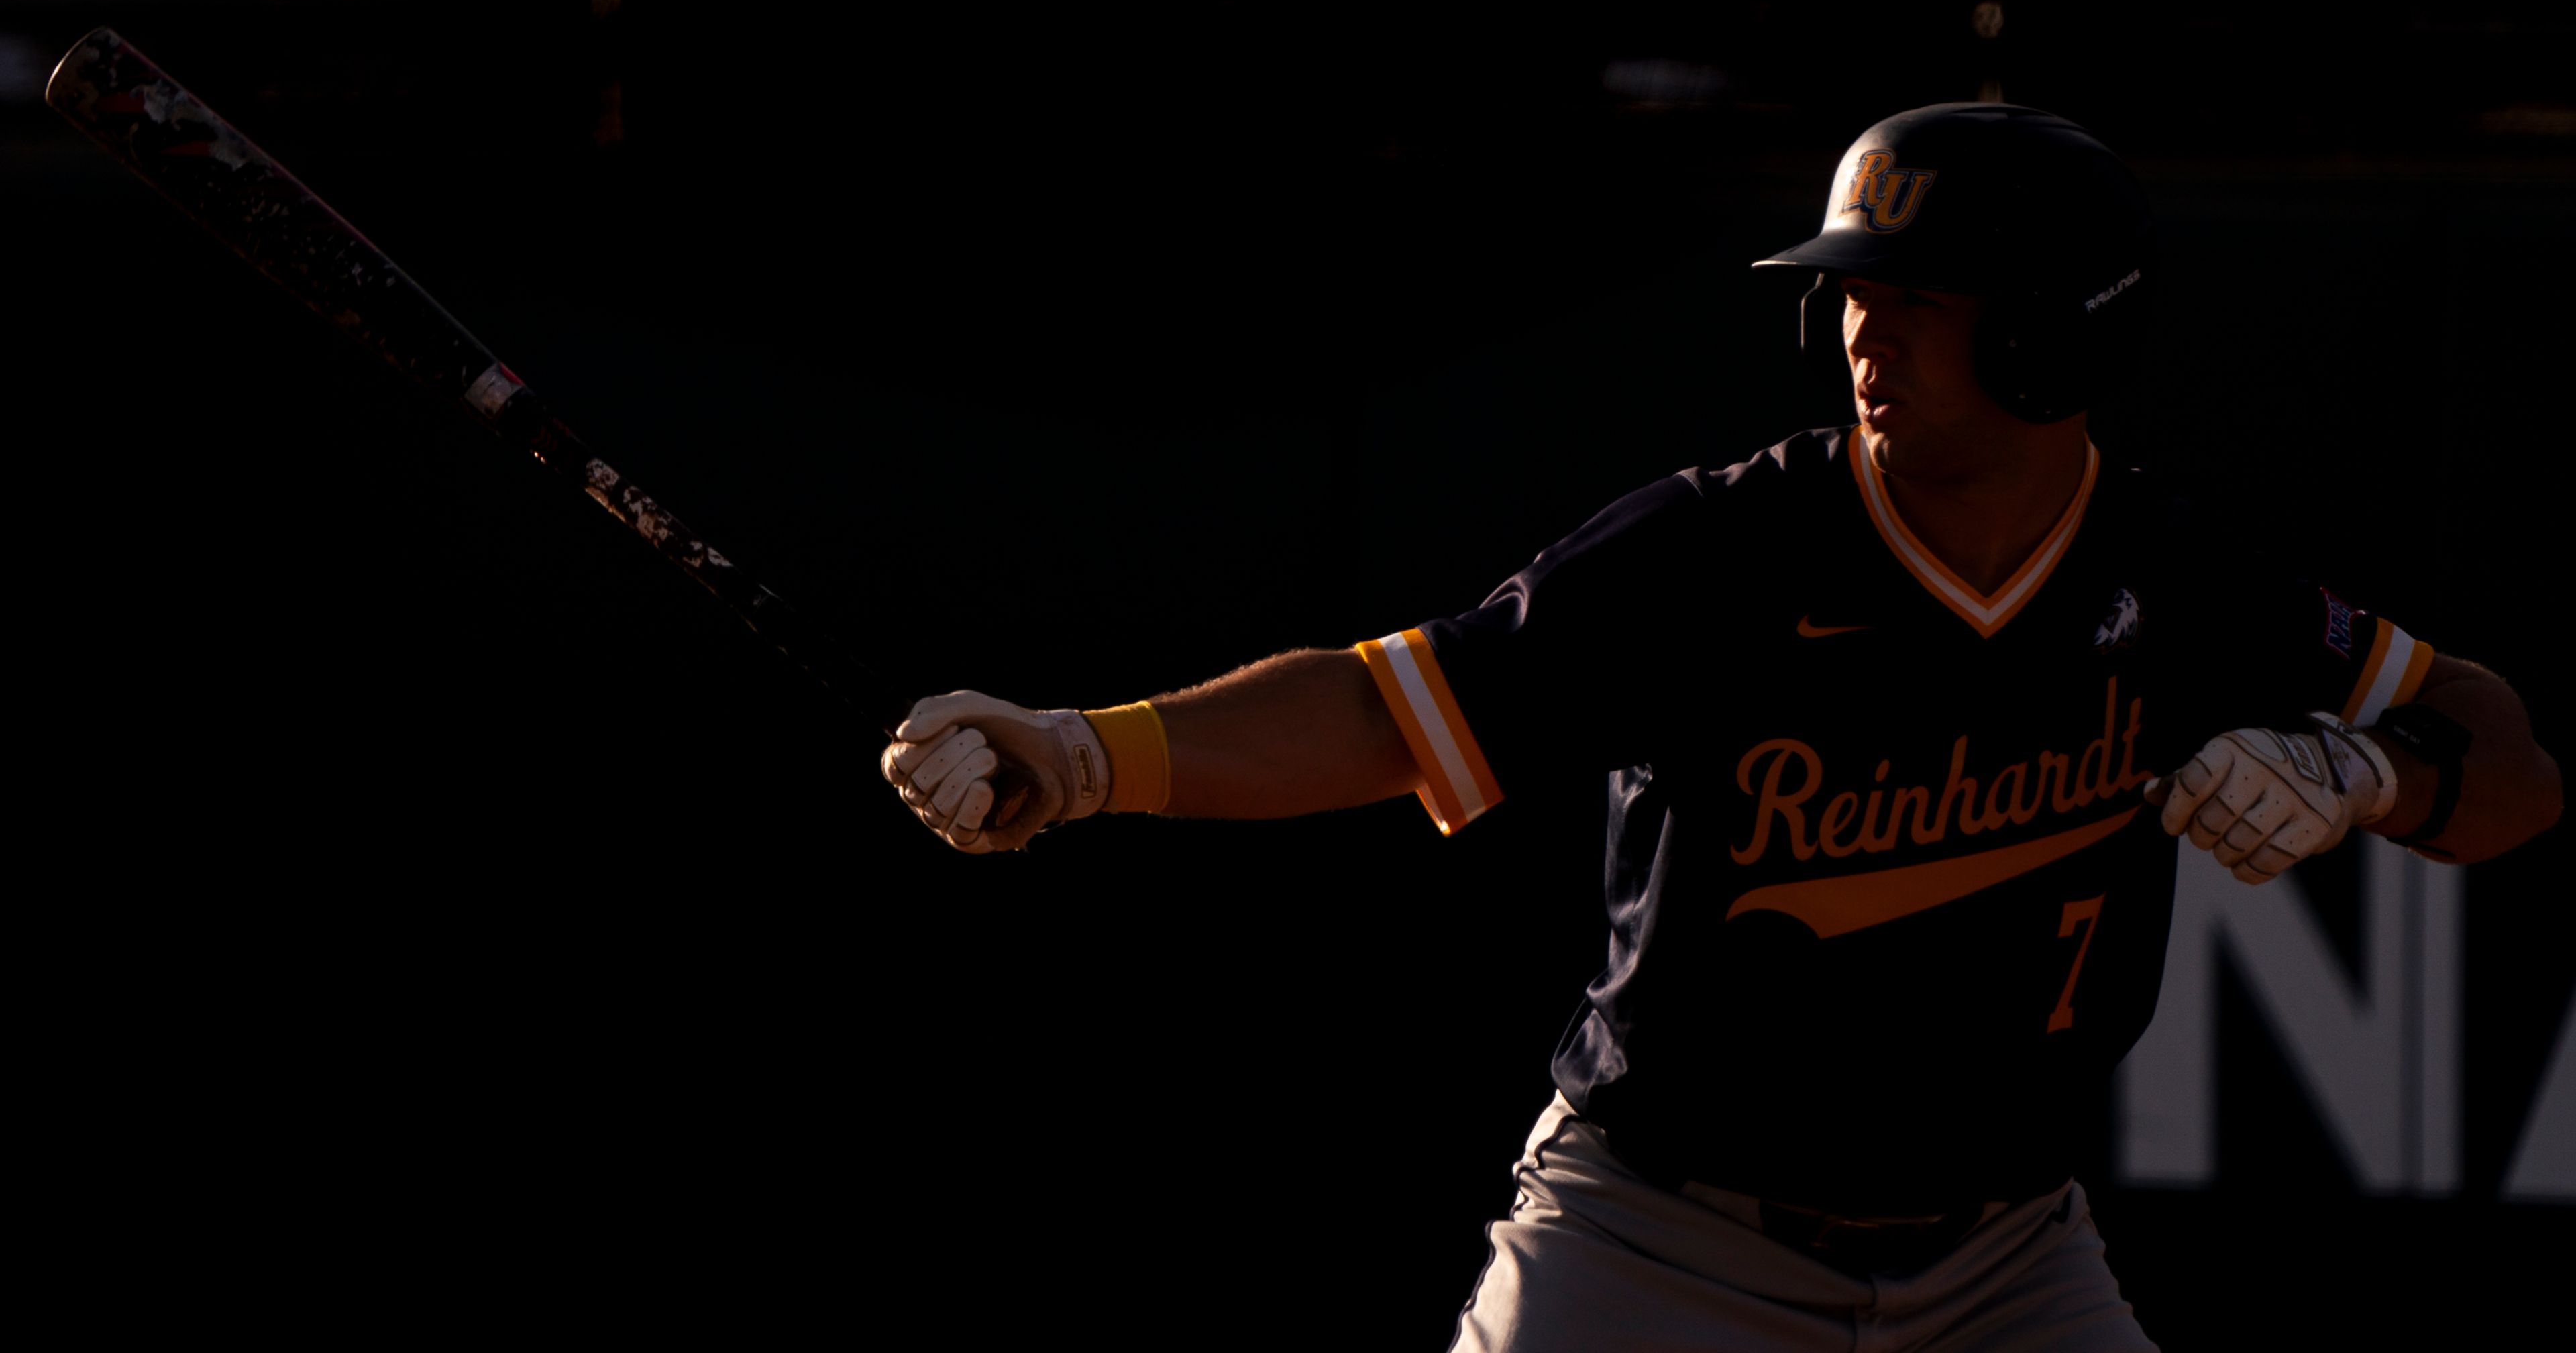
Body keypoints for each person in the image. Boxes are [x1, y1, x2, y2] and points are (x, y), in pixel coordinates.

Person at [877, 103, 2561, 1350]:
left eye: (1920, 293)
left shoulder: (2173, 578)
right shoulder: (1719, 546)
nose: (1861, 326)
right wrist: (1090, 752)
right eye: (1847, 290)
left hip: (2008, 1261)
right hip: (1659, 1238)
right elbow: (1401, 706)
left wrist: (2372, 774)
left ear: (2056, 335)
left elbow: (2513, 762)